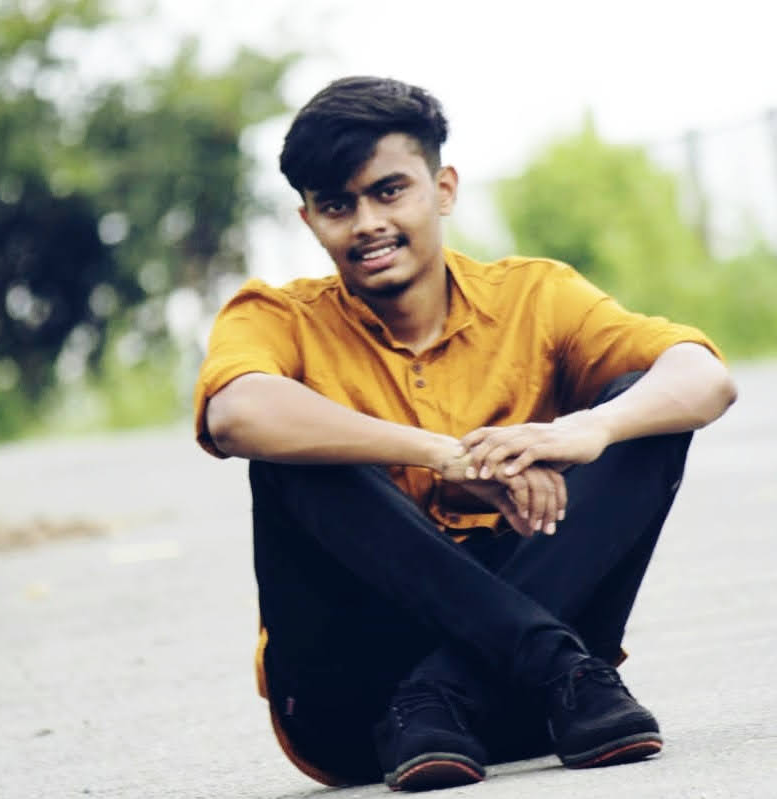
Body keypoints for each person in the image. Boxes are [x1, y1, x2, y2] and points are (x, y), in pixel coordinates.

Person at [193, 76, 736, 791]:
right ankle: (537, 658)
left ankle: (455, 684)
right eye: (337, 206)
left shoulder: (534, 296)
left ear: (443, 188)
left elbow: (703, 377)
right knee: (292, 450)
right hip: (357, 713)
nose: (366, 224)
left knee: (645, 412)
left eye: (389, 191)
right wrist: (441, 455)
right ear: (309, 220)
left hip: (544, 705)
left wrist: (589, 428)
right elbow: (236, 413)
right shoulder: (276, 316)